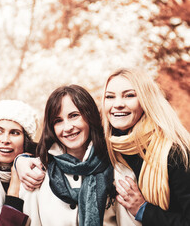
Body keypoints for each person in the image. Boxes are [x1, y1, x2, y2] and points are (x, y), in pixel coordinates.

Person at [20, 85, 131, 226]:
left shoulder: (118, 171)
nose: (67, 127)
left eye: (74, 116)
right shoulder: (36, 175)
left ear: (89, 116)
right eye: (58, 121)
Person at [101, 68, 190, 225]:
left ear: (146, 100)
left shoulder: (174, 151)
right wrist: (42, 166)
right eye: (110, 97)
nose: (118, 104)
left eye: (129, 95)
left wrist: (143, 209)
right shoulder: (107, 148)